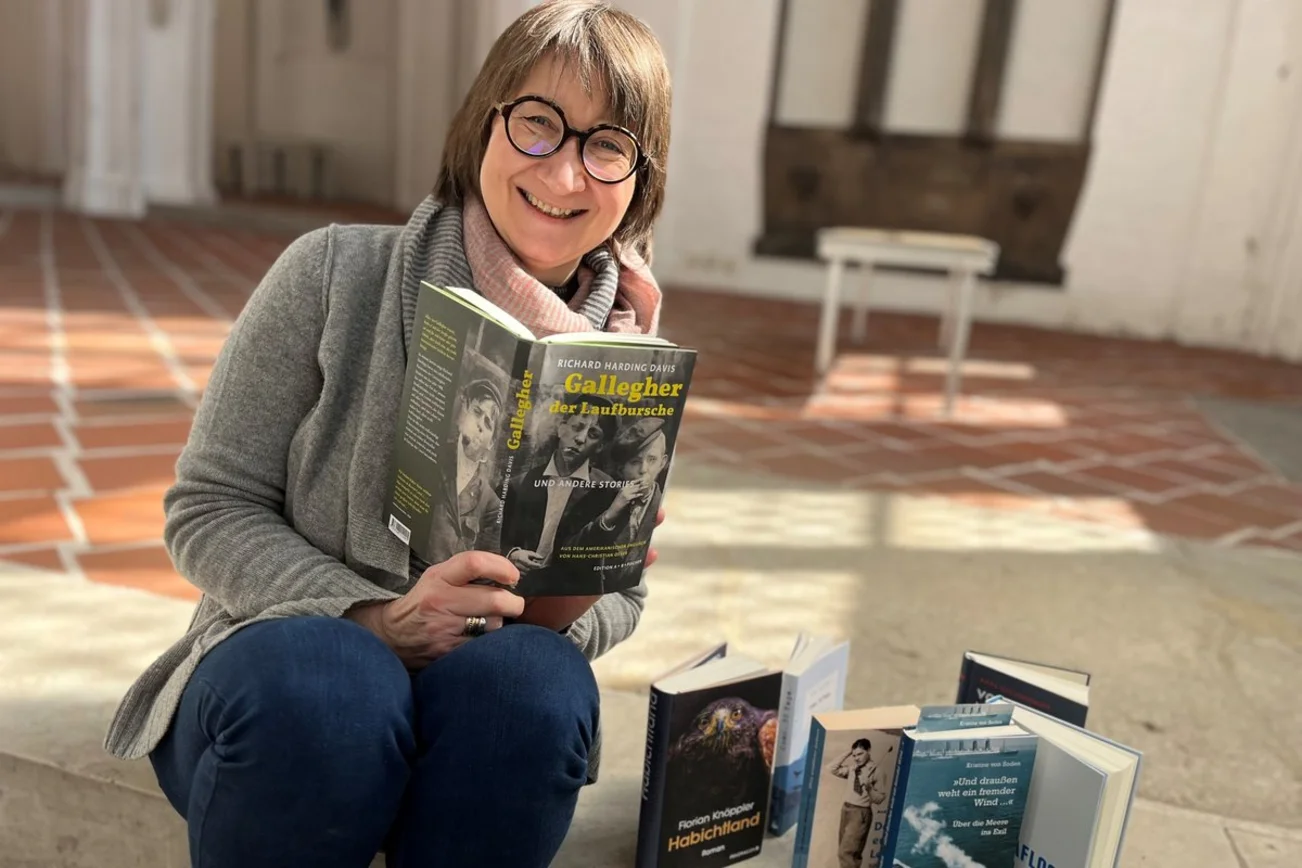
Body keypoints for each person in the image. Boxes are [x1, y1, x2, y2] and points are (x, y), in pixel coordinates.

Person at [102, 2, 673, 866]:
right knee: (336, 683)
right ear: (484, 124)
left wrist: (581, 592)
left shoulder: (628, 358)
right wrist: (376, 620)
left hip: (474, 719)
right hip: (285, 686)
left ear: (639, 177)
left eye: (606, 145)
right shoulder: (332, 273)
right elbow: (209, 509)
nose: (564, 176)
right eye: (537, 125)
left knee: (535, 690)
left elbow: (620, 601)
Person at [502, 398, 616, 575]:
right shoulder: (517, 485)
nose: (580, 439)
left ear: (600, 446)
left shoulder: (607, 490)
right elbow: (492, 537)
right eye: (577, 427)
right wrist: (511, 554)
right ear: (561, 428)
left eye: (593, 434)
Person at [567, 416, 668, 589]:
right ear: (621, 470)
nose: (643, 470)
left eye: (652, 460)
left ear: (663, 463)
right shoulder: (599, 498)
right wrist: (610, 515)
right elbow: (569, 551)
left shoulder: (662, 506)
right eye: (635, 462)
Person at [425, 377, 506, 564]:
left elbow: (488, 563)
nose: (479, 425)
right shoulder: (432, 455)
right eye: (476, 412)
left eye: (487, 424)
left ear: (491, 442)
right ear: (464, 411)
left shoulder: (491, 502)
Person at [827, 738, 886, 868]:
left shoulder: (876, 771)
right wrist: (849, 752)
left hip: (860, 814)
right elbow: (832, 768)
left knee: (846, 853)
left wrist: (869, 788)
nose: (856, 758)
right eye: (854, 755)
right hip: (846, 810)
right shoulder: (853, 769)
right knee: (850, 853)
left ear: (869, 751)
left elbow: (880, 798)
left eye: (860, 754)